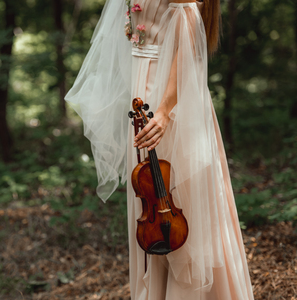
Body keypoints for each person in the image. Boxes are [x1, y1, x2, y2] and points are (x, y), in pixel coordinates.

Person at [65, 0, 254, 299]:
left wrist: (165, 110)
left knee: (181, 195)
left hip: (170, 92)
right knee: (151, 196)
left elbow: (189, 39)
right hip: (143, 90)